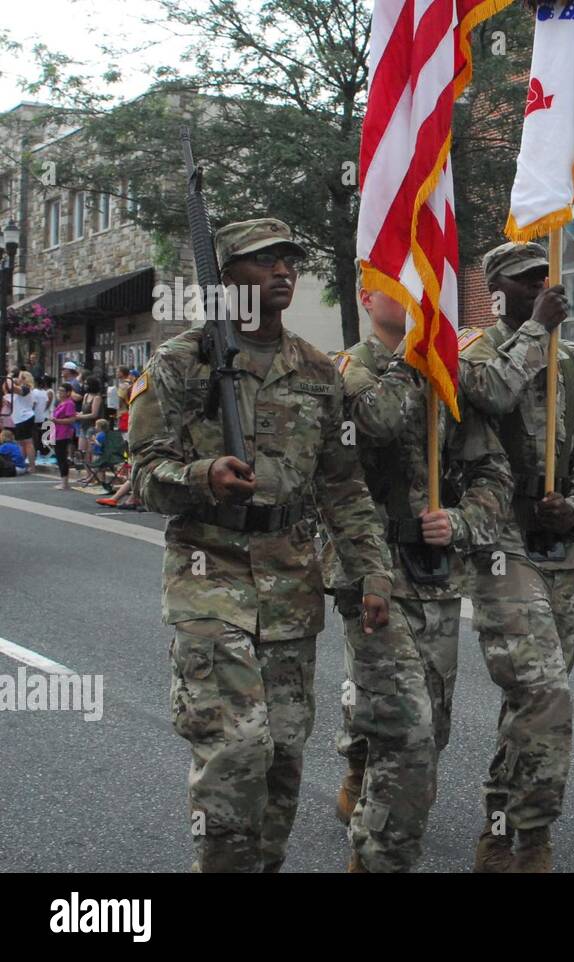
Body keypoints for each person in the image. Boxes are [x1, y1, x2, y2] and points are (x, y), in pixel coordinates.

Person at [129, 217, 393, 872]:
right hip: (209, 576)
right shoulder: (181, 364)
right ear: (225, 276)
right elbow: (141, 477)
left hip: (290, 585)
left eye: (289, 260)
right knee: (234, 750)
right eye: (264, 259)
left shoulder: (316, 371)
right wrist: (202, 477)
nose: (283, 271)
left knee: (281, 754)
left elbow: (344, 487)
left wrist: (372, 574)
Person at [325, 283, 512, 873]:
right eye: (397, 284)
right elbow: (376, 421)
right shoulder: (348, 369)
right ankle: (378, 859)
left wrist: (460, 520)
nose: (413, 294)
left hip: (436, 573)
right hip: (371, 573)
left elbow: (492, 470)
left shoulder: (443, 375)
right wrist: (415, 357)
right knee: (407, 734)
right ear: (365, 293)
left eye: (421, 282)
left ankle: (363, 764)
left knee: (431, 731)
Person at [459, 241, 574, 872]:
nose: (543, 290)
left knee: (537, 699)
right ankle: (526, 833)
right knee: (544, 688)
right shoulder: (476, 353)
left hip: (563, 547)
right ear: (496, 291)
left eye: (546, 280)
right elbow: (490, 395)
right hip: (501, 542)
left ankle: (509, 817)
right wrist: (537, 331)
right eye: (525, 283)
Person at [49, 383, 78, 490]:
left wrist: (57, 420)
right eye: (59, 391)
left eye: (62, 391)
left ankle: (65, 482)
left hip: (63, 433)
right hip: (57, 432)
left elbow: (72, 419)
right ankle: (63, 481)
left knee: (62, 457)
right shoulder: (61, 403)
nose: (60, 393)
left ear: (68, 392)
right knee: (59, 457)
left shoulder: (69, 403)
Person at [6, 370, 36, 466]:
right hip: (20, 418)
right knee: (21, 443)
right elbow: (7, 389)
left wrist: (9, 377)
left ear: (23, 379)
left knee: (28, 442)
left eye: (19, 377)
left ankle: (32, 466)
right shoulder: (21, 389)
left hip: (25, 418)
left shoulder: (26, 388)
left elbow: (11, 387)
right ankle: (21, 464)